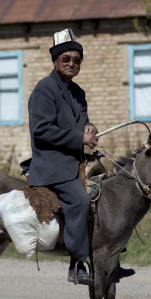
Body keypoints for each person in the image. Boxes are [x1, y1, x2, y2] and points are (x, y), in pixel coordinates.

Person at [20, 29, 96, 285]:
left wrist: (90, 129)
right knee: (80, 202)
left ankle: (111, 259)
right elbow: (41, 131)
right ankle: (77, 265)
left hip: (76, 163)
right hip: (52, 166)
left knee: (110, 195)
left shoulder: (78, 93)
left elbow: (82, 123)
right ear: (55, 61)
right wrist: (79, 138)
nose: (72, 63)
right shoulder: (44, 89)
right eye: (66, 59)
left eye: (77, 59)